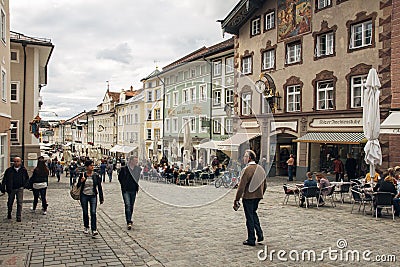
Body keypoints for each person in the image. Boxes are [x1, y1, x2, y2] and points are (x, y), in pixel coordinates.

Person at [234, 150, 266, 246]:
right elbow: (265, 185)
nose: (244, 158)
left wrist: (237, 199)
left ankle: (251, 238)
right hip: (258, 196)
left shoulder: (247, 169)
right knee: (253, 214)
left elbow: (241, 186)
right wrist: (260, 194)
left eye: (245, 156)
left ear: (250, 158)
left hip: (248, 196)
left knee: (249, 217)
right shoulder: (260, 169)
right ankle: (260, 234)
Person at [77, 160, 104, 236]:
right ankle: (86, 226)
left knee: (93, 212)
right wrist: (81, 181)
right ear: (86, 167)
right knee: (85, 212)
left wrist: (101, 198)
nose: (92, 167)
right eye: (90, 165)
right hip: (84, 195)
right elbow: (78, 186)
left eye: (93, 165)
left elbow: (99, 187)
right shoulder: (83, 175)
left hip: (93, 195)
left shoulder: (96, 175)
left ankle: (94, 229)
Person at [1, 156, 29, 222]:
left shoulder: (23, 170)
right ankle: (9, 213)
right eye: (15, 161)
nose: (16, 163)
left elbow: (27, 178)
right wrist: (3, 187)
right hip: (11, 188)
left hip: (20, 188)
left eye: (17, 161)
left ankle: (18, 216)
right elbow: (5, 179)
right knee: (10, 202)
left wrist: (25, 185)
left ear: (20, 162)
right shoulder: (9, 170)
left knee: (19, 202)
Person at [118, 156, 141, 230]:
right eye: (135, 161)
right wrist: (123, 184)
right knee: (127, 204)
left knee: (131, 205)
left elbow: (138, 178)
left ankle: (129, 218)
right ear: (131, 161)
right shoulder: (124, 169)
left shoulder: (137, 169)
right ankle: (128, 221)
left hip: (133, 189)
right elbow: (120, 178)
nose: (136, 162)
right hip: (126, 189)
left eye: (137, 161)